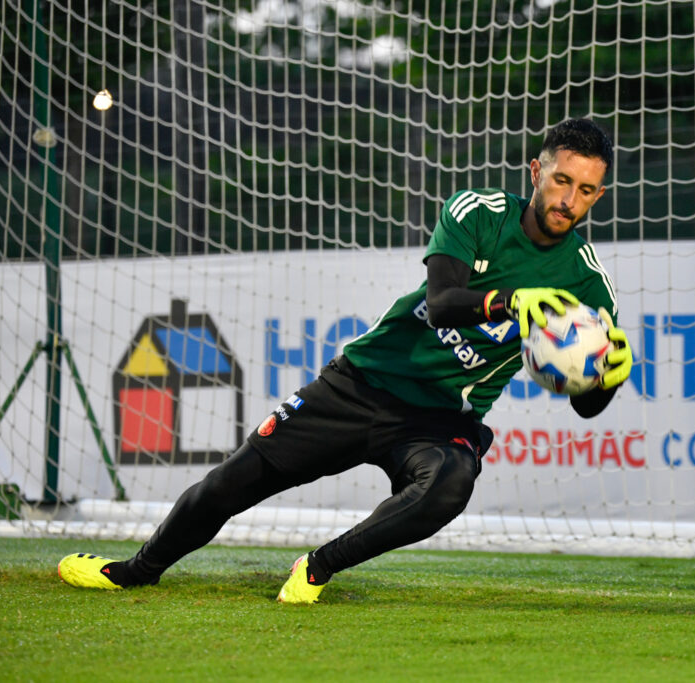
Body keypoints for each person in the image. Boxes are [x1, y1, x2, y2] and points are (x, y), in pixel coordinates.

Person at [57, 117, 634, 603]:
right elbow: (441, 304)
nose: (568, 200)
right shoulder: (478, 212)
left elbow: (587, 407)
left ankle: (318, 567)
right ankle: (135, 571)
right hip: (361, 384)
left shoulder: (588, 284)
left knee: (451, 484)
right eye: (561, 180)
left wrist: (608, 372)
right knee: (228, 486)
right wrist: (510, 301)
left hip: (440, 419)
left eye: (585, 191)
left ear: (598, 195)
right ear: (536, 172)